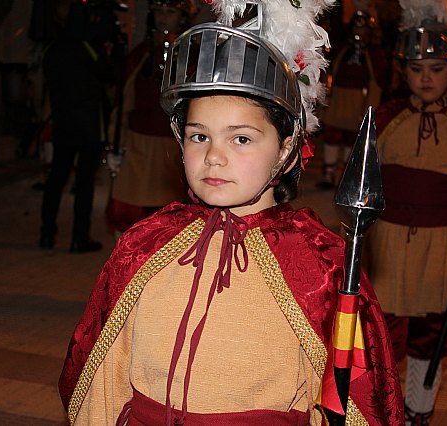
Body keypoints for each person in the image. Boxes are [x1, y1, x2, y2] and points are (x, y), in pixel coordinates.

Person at [58, 1, 403, 424]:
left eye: (241, 139)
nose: (214, 157)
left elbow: (354, 402)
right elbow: (103, 382)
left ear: (287, 148)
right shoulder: (144, 247)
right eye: (199, 135)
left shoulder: (322, 270)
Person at [364, 1, 447, 424]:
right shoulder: (386, 118)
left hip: (446, 251)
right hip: (390, 248)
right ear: (402, 69)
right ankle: (383, 411)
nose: (425, 78)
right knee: (383, 337)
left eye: (436, 68)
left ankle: (418, 412)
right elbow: (363, 185)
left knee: (430, 340)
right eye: (415, 67)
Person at [105, 0, 193, 237]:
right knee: (128, 214)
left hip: (171, 148)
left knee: (170, 221)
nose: (163, 18)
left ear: (182, 16)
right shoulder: (140, 55)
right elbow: (124, 101)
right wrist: (116, 143)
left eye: (170, 11)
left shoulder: (191, 57)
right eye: (159, 12)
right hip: (138, 146)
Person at [39, 0, 117, 253]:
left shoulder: (52, 49)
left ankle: (46, 234)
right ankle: (78, 237)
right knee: (84, 183)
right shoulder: (89, 48)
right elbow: (108, 75)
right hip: (89, 126)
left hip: (63, 123)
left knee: (56, 178)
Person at [317, 8, 388, 190]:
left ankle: (345, 177)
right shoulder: (343, 48)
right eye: (356, 29)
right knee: (332, 135)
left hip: (360, 100)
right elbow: (330, 69)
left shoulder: (374, 53)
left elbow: (379, 77)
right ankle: (329, 173)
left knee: (353, 138)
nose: (359, 32)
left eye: (362, 29)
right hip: (339, 97)